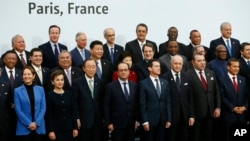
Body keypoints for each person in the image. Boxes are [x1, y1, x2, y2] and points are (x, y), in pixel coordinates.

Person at [186, 54, 221, 141]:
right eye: (199, 61)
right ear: (193, 63)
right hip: (196, 115)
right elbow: (187, 97)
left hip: (210, 113)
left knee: (209, 137)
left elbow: (217, 92)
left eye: (203, 60)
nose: (202, 63)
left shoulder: (211, 73)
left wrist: (218, 107)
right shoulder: (187, 75)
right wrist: (191, 115)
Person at [161, 55, 195, 141]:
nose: (178, 66)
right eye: (175, 63)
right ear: (171, 64)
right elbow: (164, 99)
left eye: (180, 64)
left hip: (184, 116)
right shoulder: (164, 78)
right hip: (171, 117)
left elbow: (190, 98)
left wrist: (191, 115)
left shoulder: (187, 77)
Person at [104, 62, 139, 141]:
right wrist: (109, 123)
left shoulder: (135, 85)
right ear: (117, 72)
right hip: (116, 125)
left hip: (131, 124)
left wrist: (137, 120)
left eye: (125, 70)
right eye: (121, 70)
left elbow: (136, 104)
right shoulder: (110, 87)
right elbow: (106, 105)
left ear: (129, 71)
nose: (123, 72)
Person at [72, 58, 104, 141]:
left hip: (98, 120)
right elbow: (74, 102)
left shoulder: (100, 82)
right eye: (88, 67)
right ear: (84, 68)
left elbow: (102, 101)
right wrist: (77, 118)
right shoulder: (77, 82)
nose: (91, 69)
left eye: (93, 67)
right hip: (83, 120)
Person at [139, 59, 171, 141]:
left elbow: (168, 102)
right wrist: (145, 121)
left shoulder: (165, 82)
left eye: (159, 66)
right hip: (149, 121)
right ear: (150, 68)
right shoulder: (143, 83)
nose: (159, 68)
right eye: (156, 66)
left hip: (162, 121)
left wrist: (168, 119)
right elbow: (142, 104)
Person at [219, 59, 248, 141]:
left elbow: (246, 95)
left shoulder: (243, 79)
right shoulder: (222, 80)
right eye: (234, 66)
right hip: (229, 116)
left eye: (238, 66)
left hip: (242, 116)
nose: (237, 68)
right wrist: (233, 108)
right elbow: (222, 97)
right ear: (228, 67)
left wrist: (245, 107)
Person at [14, 66, 46, 141]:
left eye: (29, 74)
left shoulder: (40, 89)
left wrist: (36, 123)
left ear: (33, 76)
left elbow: (43, 107)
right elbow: (18, 110)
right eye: (24, 74)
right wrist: (29, 123)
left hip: (39, 126)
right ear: (22, 77)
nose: (27, 76)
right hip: (24, 126)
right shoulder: (17, 91)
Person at [46, 70, 78, 141]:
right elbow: (49, 115)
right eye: (57, 80)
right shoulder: (49, 96)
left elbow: (73, 112)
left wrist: (75, 128)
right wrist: (51, 131)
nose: (60, 82)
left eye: (62, 79)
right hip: (56, 129)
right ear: (52, 82)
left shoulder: (69, 94)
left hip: (70, 128)